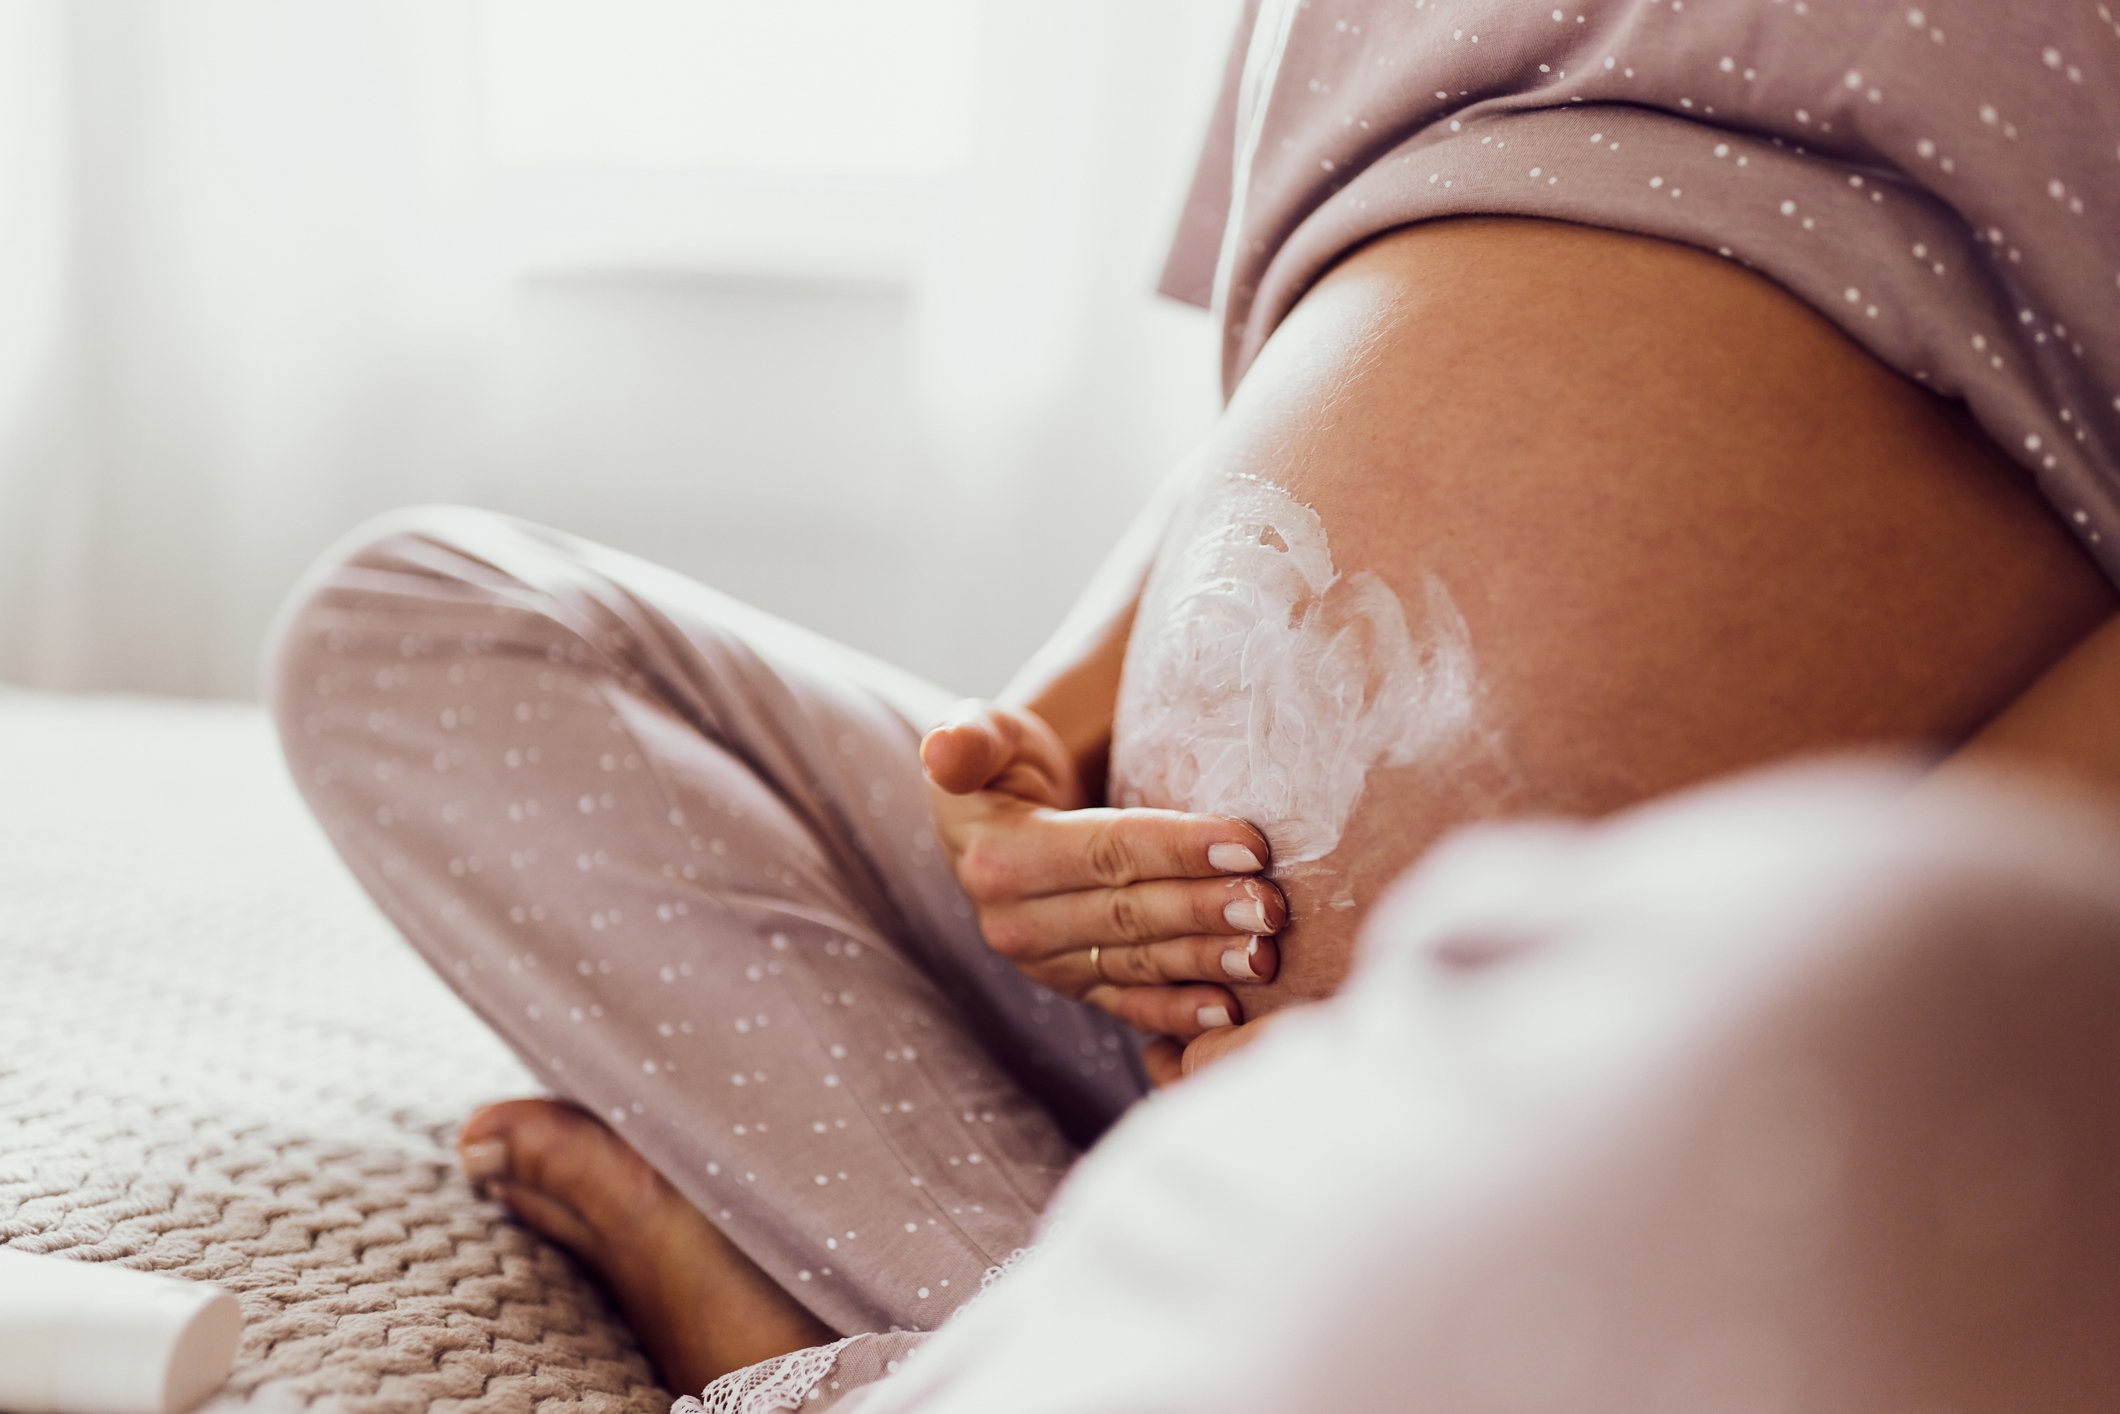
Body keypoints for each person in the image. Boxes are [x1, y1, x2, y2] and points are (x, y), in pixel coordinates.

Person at [267, 0, 2119, 1407]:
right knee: (419, 620)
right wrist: (1026, 762)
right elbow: (1300, 390)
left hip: (1693, 1064)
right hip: (1156, 1015)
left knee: (1899, 986)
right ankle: (1043, 1334)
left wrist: (1598, 1000)